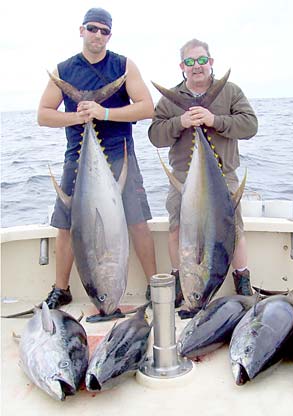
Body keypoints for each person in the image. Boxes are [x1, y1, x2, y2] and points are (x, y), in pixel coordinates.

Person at [38, 7, 157, 309]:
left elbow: (146, 108)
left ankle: (155, 283)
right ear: (82, 31)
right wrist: (76, 117)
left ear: (110, 35)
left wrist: (104, 113)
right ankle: (61, 288)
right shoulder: (64, 70)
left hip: (121, 155)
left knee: (137, 220)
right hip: (78, 155)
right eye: (93, 29)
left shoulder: (124, 65)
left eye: (104, 31)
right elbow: (43, 115)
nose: (98, 35)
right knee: (66, 224)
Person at [148, 38, 258, 302]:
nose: (196, 66)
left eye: (201, 60)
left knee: (233, 230)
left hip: (223, 175)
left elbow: (250, 125)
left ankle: (242, 280)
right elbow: (155, 136)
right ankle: (178, 279)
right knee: (177, 229)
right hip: (183, 179)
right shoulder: (168, 100)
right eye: (189, 61)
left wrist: (214, 120)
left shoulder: (230, 92)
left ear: (210, 62)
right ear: (182, 66)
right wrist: (180, 122)